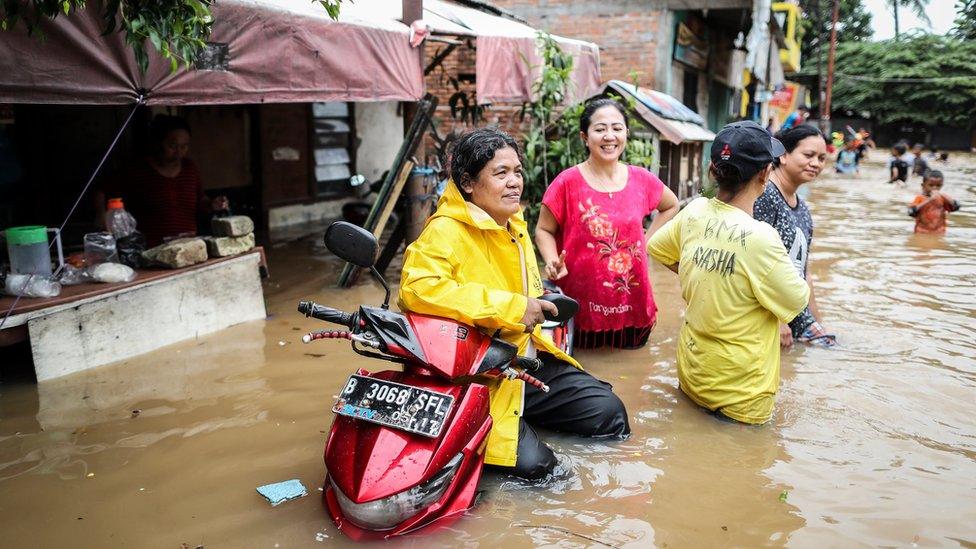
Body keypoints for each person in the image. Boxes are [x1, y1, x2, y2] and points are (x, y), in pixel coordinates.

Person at [398, 128, 630, 480]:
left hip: (524, 358)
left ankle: (527, 416)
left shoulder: (514, 225)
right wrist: (513, 307)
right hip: (474, 373)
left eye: (517, 172)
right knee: (539, 471)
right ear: (468, 183)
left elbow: (523, 294)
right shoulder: (444, 230)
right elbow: (417, 290)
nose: (514, 182)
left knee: (609, 415)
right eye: (500, 173)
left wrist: (539, 301)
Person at [646, 121, 810, 424]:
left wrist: (698, 272)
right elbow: (797, 301)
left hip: (693, 375)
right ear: (765, 173)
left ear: (713, 168)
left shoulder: (695, 211)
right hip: (743, 395)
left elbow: (656, 247)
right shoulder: (761, 237)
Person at [534, 98, 679, 349]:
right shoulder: (566, 182)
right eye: (600, 129)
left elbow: (671, 205)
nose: (609, 136)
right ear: (585, 137)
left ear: (626, 134)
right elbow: (544, 229)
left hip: (633, 304)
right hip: (581, 307)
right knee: (582, 365)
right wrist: (551, 260)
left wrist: (646, 242)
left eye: (617, 128)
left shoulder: (642, 179)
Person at [754, 125, 835, 347]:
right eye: (808, 155)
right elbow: (751, 263)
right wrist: (777, 321)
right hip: (768, 317)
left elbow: (803, 273)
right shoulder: (765, 195)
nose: (816, 163)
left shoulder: (803, 210)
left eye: (821, 158)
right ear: (783, 156)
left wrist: (819, 324)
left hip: (796, 317)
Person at [97, 115, 228, 247]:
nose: (179, 152)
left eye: (184, 146)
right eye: (172, 146)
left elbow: (200, 200)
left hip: (188, 246)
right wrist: (102, 217)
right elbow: (102, 191)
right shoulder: (137, 170)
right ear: (157, 143)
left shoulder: (190, 168)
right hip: (150, 249)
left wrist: (212, 204)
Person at [908, 170, 961, 234]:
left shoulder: (943, 198)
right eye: (931, 185)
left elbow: (956, 206)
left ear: (942, 185)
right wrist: (929, 200)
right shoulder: (919, 198)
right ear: (923, 186)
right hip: (922, 232)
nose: (934, 188)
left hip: (939, 232)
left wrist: (943, 196)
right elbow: (911, 212)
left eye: (938, 185)